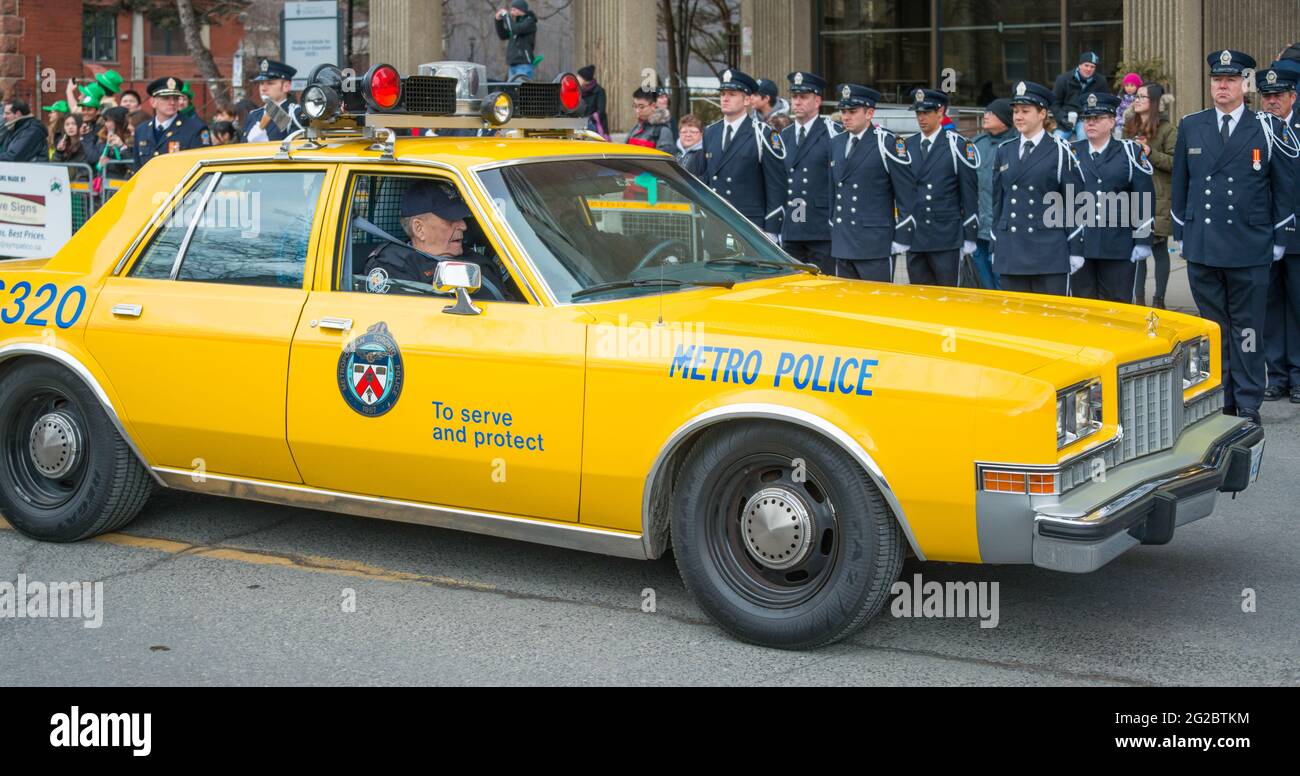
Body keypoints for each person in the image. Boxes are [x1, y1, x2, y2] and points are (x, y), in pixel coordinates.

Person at [1171, 50, 1297, 426]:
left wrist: (1278, 235)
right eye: (1216, 80)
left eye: (1229, 80)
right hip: (1205, 244)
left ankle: (1247, 401)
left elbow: (1285, 186)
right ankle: (1219, 397)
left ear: (1245, 84)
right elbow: (1181, 184)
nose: (1221, 86)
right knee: (1214, 327)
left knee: (1247, 329)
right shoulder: (1193, 125)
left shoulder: (1267, 127)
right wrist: (1182, 232)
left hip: (1249, 244)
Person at [991, 80, 1085, 295]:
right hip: (1012, 250)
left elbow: (1076, 204)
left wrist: (1076, 249)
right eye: (1015, 111)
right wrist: (996, 242)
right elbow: (999, 201)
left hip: (1048, 252)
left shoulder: (1061, 151)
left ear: (1042, 114)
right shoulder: (1004, 150)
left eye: (1025, 111)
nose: (1018, 116)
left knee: (1050, 320)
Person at [1069, 92, 1156, 303]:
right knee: (1082, 307)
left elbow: (1143, 195)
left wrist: (1143, 239)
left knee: (1118, 306)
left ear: (1111, 121)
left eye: (1097, 118)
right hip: (1081, 244)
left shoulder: (1130, 152)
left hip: (1118, 245)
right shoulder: (1070, 151)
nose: (1090, 123)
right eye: (1087, 118)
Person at [828, 83, 915, 282]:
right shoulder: (836, 143)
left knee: (876, 305)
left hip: (875, 242)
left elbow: (906, 193)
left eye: (852, 111)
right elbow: (833, 190)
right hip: (844, 240)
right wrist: (833, 226)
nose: (846, 116)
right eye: (843, 111)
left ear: (869, 113)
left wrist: (903, 236)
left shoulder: (887, 143)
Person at [904, 88, 979, 287]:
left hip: (945, 236)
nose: (921, 118)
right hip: (915, 235)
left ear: (940, 112)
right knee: (919, 297)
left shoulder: (957, 146)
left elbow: (969, 193)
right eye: (918, 113)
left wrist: (970, 235)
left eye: (926, 113)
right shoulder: (907, 145)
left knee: (948, 296)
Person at [1258, 60, 1300, 404]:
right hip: (1265, 233)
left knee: (1298, 305)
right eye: (1266, 96)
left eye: (1278, 95)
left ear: (1293, 96)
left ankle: (1299, 375)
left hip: (1299, 233)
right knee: (1271, 307)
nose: (1271, 101)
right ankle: (1277, 375)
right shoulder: (1256, 130)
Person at [701, 69, 786, 238]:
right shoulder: (711, 132)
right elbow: (706, 178)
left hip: (750, 225)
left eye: (732, 94)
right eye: (723, 93)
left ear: (747, 99)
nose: (725, 98)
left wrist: (771, 230)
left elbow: (777, 186)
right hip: (716, 221)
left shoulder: (763, 134)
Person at [778, 71, 841, 275]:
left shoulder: (832, 132)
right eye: (794, 97)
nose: (797, 102)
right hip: (791, 227)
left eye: (803, 97)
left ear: (818, 101)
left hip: (820, 227)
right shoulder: (784, 135)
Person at [363, 182, 473, 292]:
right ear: (419, 229)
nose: (464, 226)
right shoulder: (394, 267)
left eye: (461, 217)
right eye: (451, 219)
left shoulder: (472, 256)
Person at [1124, 83, 1177, 308]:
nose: (1137, 100)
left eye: (1142, 97)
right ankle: (1139, 299)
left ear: (1153, 102)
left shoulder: (1167, 129)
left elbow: (1176, 163)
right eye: (1136, 96)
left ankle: (1159, 299)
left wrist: (1149, 152)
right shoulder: (1129, 125)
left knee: (1158, 247)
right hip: (1134, 197)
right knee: (1137, 249)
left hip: (1159, 196)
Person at [971, 98, 1016, 289]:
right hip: (979, 225)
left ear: (1004, 119)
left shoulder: (1015, 145)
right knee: (983, 280)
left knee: (1003, 280)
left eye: (991, 113)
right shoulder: (976, 143)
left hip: (1003, 227)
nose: (985, 116)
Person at [133, 77, 208, 171]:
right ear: (153, 102)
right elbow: (137, 168)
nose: (172, 103)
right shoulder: (141, 130)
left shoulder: (195, 129)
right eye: (166, 98)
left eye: (176, 98)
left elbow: (201, 167)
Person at [1051, 52, 1110, 142]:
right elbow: (1054, 103)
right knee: (1056, 141)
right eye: (1086, 65)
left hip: (1086, 119)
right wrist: (1062, 118)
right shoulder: (1063, 79)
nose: (1089, 69)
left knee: (1084, 140)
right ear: (1079, 65)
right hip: (1066, 118)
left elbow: (1105, 103)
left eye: (1092, 66)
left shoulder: (1101, 81)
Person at [244, 59, 304, 143]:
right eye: (261, 83)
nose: (263, 88)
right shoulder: (254, 115)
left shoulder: (295, 113)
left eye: (270, 83)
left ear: (286, 86)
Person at [495, 1, 538, 82]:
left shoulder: (530, 22)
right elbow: (503, 35)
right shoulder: (516, 24)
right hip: (512, 64)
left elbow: (515, 30)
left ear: (521, 10)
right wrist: (498, 21)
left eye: (514, 10)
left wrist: (506, 15)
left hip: (524, 64)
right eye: (511, 10)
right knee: (512, 92)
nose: (511, 12)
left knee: (522, 92)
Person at [626, 88, 676, 154]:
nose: (637, 111)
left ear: (653, 106)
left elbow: (664, 162)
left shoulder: (663, 131)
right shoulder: (636, 127)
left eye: (641, 107)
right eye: (635, 106)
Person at [96, 106, 133, 176]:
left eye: (109, 121)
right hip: (106, 182)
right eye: (106, 121)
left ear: (119, 121)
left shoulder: (130, 138)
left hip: (125, 182)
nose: (106, 124)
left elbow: (132, 165)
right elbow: (95, 160)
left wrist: (122, 146)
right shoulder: (102, 137)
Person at [576, 65, 608, 140]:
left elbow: (601, 111)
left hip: (595, 126)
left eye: (578, 77)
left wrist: (589, 119)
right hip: (582, 125)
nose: (576, 79)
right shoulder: (579, 91)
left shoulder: (599, 91)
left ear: (584, 79)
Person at [1114, 72, 1142, 138]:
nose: (1129, 88)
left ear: (1137, 86)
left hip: (1135, 124)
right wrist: (1120, 121)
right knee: (1118, 133)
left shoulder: (1139, 98)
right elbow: (1116, 111)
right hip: (1121, 124)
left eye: (1132, 85)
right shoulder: (1120, 98)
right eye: (1127, 85)